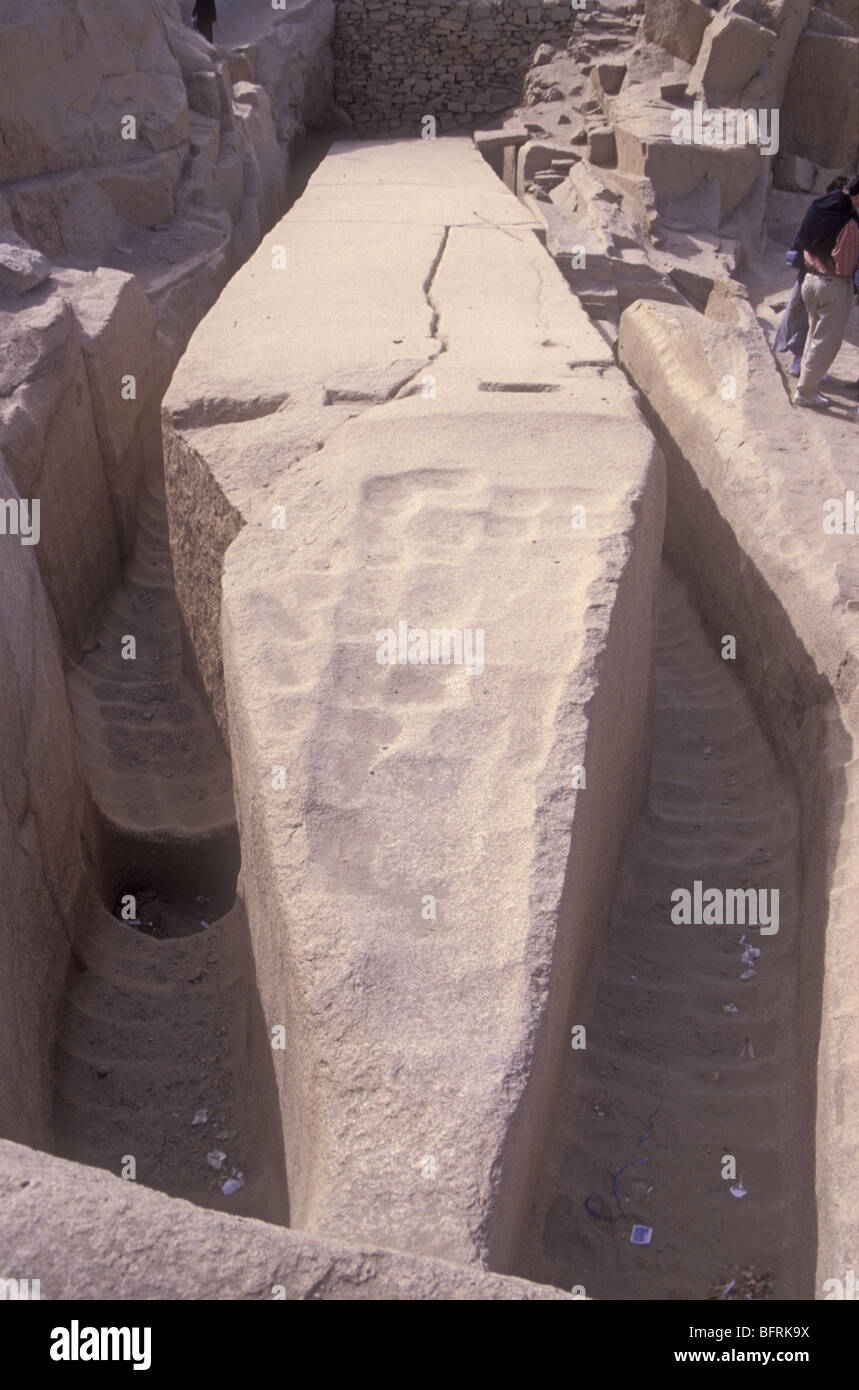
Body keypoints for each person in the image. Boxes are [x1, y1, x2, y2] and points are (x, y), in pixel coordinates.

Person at [794, 175, 859, 408]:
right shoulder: (848, 221)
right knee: (825, 343)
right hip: (833, 285)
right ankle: (806, 393)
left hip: (810, 281)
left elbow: (801, 243)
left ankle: (806, 385)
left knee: (813, 336)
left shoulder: (818, 205)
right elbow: (844, 264)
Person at [773, 177, 848, 376]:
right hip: (813, 275)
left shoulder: (843, 217)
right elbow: (803, 244)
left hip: (830, 278)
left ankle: (811, 366)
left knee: (821, 323)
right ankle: (799, 359)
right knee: (802, 316)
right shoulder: (819, 213)